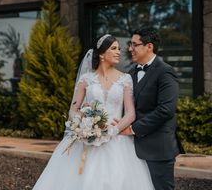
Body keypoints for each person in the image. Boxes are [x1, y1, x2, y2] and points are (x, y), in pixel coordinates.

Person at [33, 34, 154, 190]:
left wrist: (113, 130)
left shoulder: (125, 79)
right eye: (114, 48)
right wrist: (82, 126)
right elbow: (73, 109)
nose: (119, 52)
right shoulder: (86, 79)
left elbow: (131, 113)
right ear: (102, 54)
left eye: (119, 48)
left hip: (116, 140)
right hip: (86, 139)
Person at [120, 28, 184, 190]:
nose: (130, 48)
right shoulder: (131, 72)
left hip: (158, 149)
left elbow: (166, 110)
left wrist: (134, 128)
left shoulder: (165, 72)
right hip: (131, 148)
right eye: (130, 44)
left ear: (149, 46)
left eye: (134, 44)